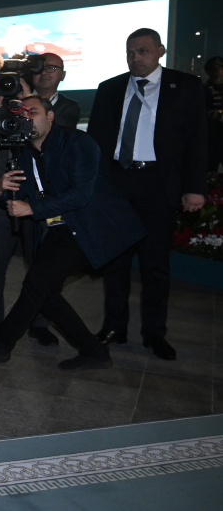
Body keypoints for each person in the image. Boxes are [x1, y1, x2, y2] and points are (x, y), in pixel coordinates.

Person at [0, 95, 145, 371]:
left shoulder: (78, 143)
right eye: (22, 115)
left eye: (33, 112)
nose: (27, 118)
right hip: (64, 226)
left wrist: (32, 208)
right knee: (42, 289)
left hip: (95, 225)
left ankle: (2, 346)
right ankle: (93, 351)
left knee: (37, 284)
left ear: (50, 116)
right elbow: (18, 199)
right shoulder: (25, 153)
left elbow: (80, 195)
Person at [87, 28, 206, 361]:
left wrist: (195, 188)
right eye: (130, 52)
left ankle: (154, 334)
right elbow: (95, 141)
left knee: (155, 265)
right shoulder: (110, 88)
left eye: (143, 51)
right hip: (117, 182)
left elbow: (198, 140)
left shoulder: (185, 86)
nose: (135, 57)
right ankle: (114, 327)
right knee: (115, 262)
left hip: (158, 184)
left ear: (160, 51)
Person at [0, 53, 80, 345]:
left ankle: (39, 322)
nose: (45, 72)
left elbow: (54, 139)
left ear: (62, 74)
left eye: (52, 68)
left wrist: (29, 102)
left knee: (41, 265)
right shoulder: (11, 100)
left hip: (40, 197)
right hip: (2, 188)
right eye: (40, 68)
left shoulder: (67, 107)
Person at [204, 56, 223, 172]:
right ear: (208, 71)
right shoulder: (205, 89)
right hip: (213, 132)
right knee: (212, 165)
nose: (217, 70)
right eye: (214, 68)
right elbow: (205, 110)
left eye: (219, 67)